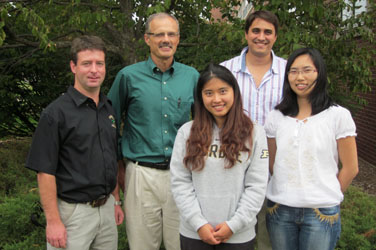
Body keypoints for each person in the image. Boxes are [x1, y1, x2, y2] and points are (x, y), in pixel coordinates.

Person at [108, 12, 199, 250]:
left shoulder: (192, 77)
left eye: (171, 34)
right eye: (159, 34)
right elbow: (109, 124)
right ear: (147, 39)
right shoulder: (128, 76)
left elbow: (204, 127)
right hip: (140, 175)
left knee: (181, 244)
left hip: (182, 175)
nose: (166, 39)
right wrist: (119, 165)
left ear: (178, 39)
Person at [25, 35, 124, 250]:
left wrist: (116, 200)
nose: (94, 70)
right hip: (73, 213)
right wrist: (53, 221)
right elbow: (44, 172)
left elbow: (112, 158)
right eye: (86, 64)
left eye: (99, 63)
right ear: (73, 66)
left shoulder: (108, 109)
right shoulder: (55, 114)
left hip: (106, 209)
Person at [264, 48, 359, 250]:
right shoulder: (275, 117)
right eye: (293, 71)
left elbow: (351, 167)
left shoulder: (338, 116)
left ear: (320, 73)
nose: (300, 77)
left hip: (321, 213)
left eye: (307, 70)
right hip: (280, 210)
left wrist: (327, 194)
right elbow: (272, 162)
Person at [170, 63, 269, 250]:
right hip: (195, 233)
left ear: (234, 92)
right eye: (209, 93)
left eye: (223, 91)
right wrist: (198, 223)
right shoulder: (187, 132)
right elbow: (180, 182)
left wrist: (234, 225)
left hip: (238, 235)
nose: (216, 99)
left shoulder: (255, 133)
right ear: (200, 97)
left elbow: (257, 186)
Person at [220, 10, 286, 250]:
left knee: (272, 241)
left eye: (268, 32)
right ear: (246, 34)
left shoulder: (290, 74)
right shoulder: (224, 72)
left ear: (276, 37)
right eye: (256, 30)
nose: (261, 36)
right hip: (233, 168)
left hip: (278, 172)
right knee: (235, 239)